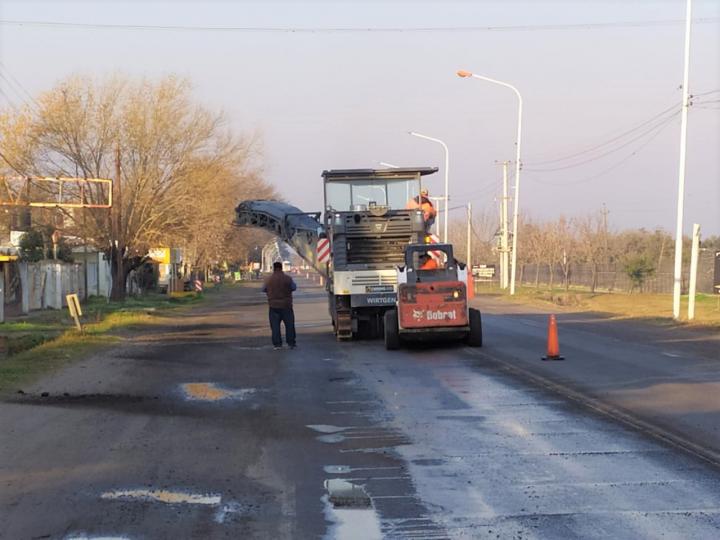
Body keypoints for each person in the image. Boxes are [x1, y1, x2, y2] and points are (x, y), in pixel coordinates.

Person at [262, 261, 297, 350]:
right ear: (281, 268)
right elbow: (294, 287)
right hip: (286, 306)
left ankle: (277, 344)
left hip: (273, 306)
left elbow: (263, 289)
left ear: (273, 268)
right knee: (289, 325)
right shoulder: (288, 278)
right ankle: (291, 343)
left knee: (275, 326)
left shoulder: (268, 279)